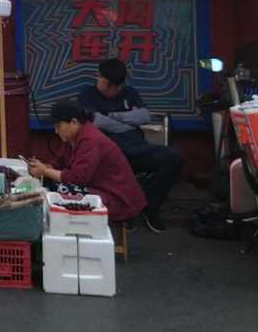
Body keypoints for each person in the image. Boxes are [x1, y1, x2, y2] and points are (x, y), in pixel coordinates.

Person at [75, 58, 183, 232]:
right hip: (108, 154)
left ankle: (149, 206)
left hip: (137, 148)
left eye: (111, 86)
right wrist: (127, 123)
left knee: (173, 157)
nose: (105, 88)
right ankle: (127, 210)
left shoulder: (129, 93)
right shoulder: (87, 94)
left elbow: (144, 116)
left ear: (120, 86)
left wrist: (114, 116)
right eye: (103, 82)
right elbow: (96, 121)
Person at [28, 101, 147, 224]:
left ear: (74, 122)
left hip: (117, 198)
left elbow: (77, 178)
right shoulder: (72, 138)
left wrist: (45, 171)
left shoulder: (90, 140)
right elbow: (59, 161)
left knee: (62, 190)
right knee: (49, 184)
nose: (56, 131)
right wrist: (46, 167)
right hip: (96, 188)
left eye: (59, 126)